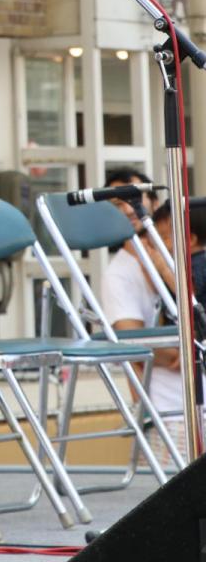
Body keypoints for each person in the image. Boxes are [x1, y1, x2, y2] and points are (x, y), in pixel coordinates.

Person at [101, 172, 184, 465]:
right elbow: (131, 339)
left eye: (133, 199)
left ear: (154, 202)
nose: (125, 209)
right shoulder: (118, 274)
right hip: (166, 410)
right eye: (114, 203)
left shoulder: (184, 258)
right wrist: (186, 351)